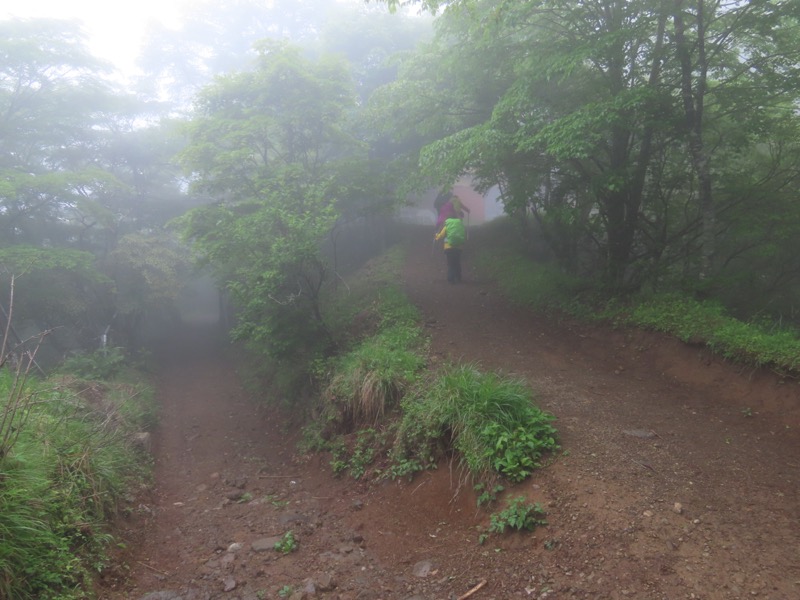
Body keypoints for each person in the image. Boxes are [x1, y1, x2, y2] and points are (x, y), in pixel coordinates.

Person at [434, 213, 466, 283]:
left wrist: (436, 236)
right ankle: (459, 278)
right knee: (457, 262)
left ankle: (450, 278)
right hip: (458, 247)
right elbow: (464, 235)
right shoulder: (460, 225)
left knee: (451, 263)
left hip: (448, 248)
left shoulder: (447, 226)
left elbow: (441, 236)